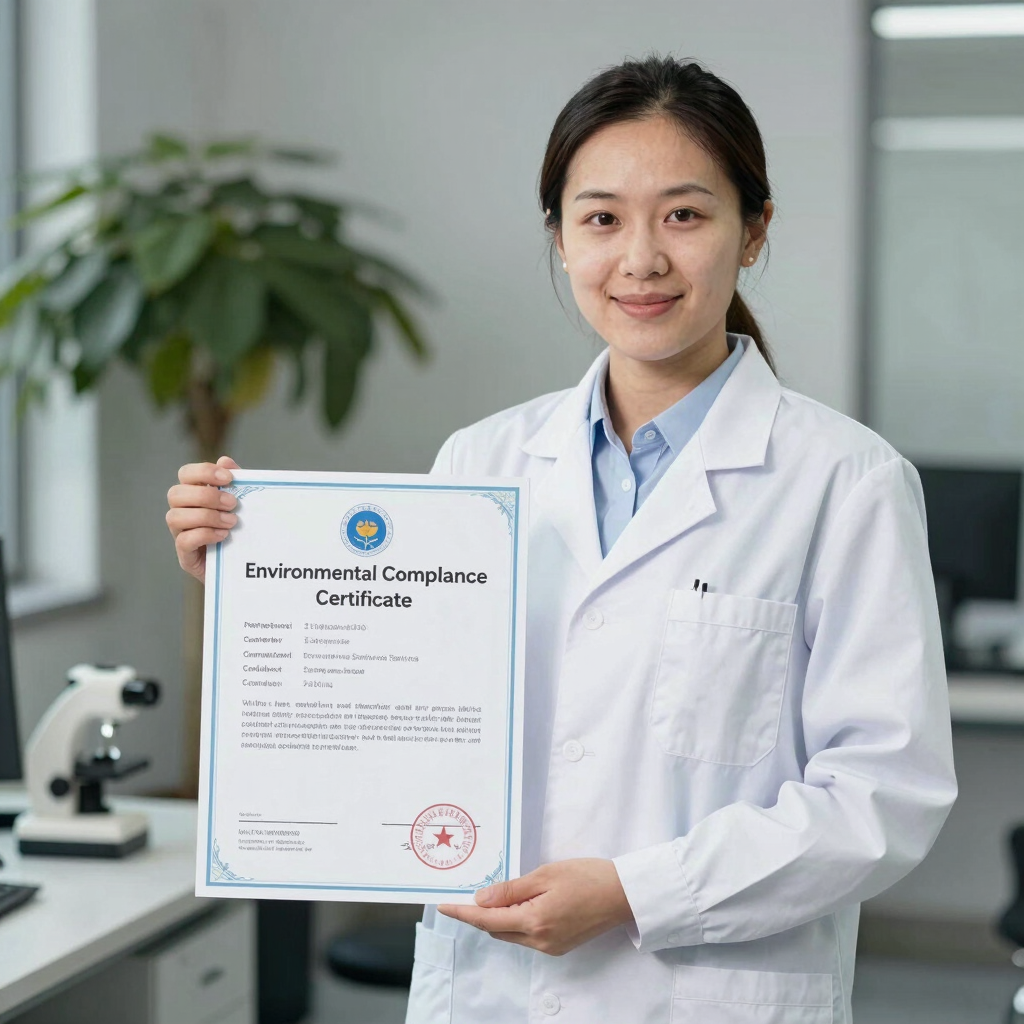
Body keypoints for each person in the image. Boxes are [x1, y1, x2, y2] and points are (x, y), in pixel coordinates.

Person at [167, 56, 957, 1024]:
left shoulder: (845, 480)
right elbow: (396, 701)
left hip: (704, 996)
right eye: (601, 219)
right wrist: (257, 579)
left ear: (753, 231)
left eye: (684, 215)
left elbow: (883, 795)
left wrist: (635, 892)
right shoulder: (482, 460)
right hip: (487, 988)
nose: (641, 259)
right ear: (559, 237)